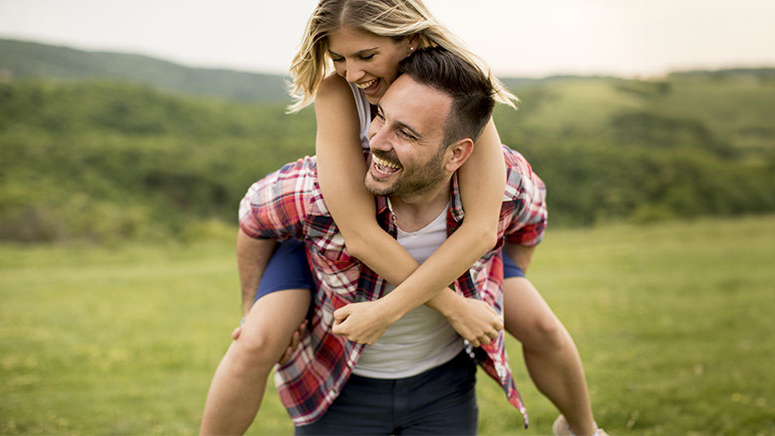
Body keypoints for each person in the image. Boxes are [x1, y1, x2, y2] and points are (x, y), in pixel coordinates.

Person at [201, 1, 602, 435]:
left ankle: (581, 428)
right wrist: (453, 307)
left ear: (409, 39)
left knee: (541, 324)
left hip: (449, 237)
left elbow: (484, 227)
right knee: (255, 340)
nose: (352, 72)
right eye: (339, 57)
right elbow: (358, 234)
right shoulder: (338, 92)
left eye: (366, 56)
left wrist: (483, 290)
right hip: (331, 235)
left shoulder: (456, 93)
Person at [239, 46, 543, 434]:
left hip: (443, 385)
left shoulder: (503, 182)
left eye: (405, 132)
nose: (377, 140)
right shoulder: (317, 191)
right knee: (251, 345)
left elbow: (531, 218)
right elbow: (254, 215)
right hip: (341, 384)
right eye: (379, 116)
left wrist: (497, 283)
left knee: (545, 330)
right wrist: (250, 307)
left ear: (457, 154)